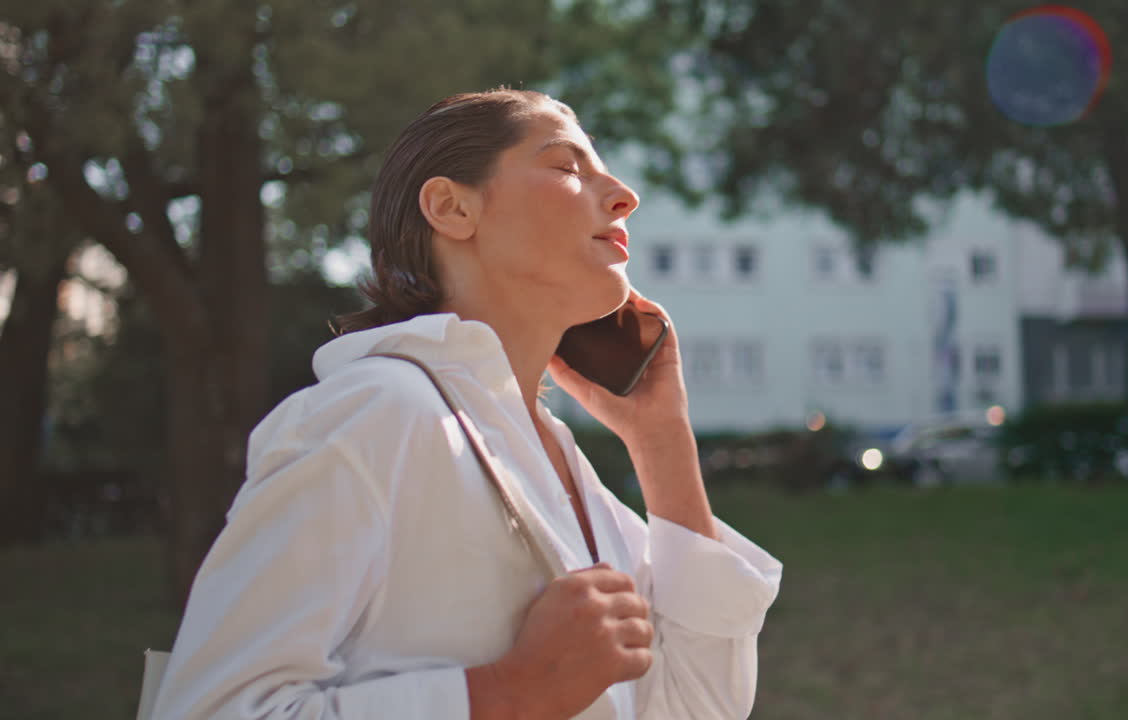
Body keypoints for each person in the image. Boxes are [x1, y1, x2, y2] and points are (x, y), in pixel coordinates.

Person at [149, 88, 782, 720]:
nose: (624, 195)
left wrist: (661, 438)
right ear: (452, 208)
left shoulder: (563, 467)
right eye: (567, 166)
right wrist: (510, 693)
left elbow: (695, 707)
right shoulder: (373, 414)